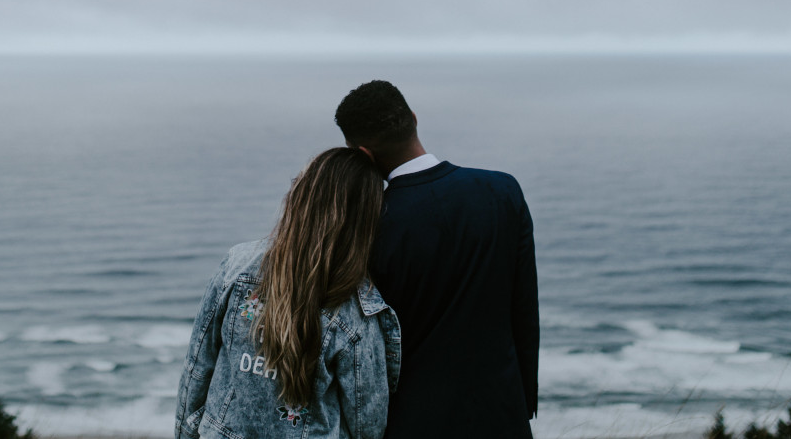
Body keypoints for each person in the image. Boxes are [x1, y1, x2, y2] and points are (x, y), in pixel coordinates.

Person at [335, 80, 539, 439]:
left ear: (363, 154)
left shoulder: (369, 224)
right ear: (414, 118)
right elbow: (524, 308)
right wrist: (523, 400)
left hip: (410, 421)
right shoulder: (503, 191)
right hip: (502, 411)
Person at [175, 147, 401, 439]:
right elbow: (367, 426)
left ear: (300, 197)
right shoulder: (357, 311)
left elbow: (196, 371)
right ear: (366, 222)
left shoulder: (238, 266)